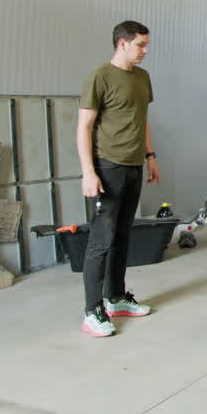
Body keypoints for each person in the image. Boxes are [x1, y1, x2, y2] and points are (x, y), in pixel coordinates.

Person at [77, 21, 162, 337]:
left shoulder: (142, 78)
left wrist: (150, 157)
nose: (145, 50)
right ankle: (92, 310)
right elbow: (84, 126)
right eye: (141, 44)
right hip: (107, 167)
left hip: (133, 165)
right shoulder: (100, 76)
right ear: (122, 43)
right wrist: (89, 171)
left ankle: (116, 297)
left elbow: (143, 120)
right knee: (102, 239)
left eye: (146, 44)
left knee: (123, 235)